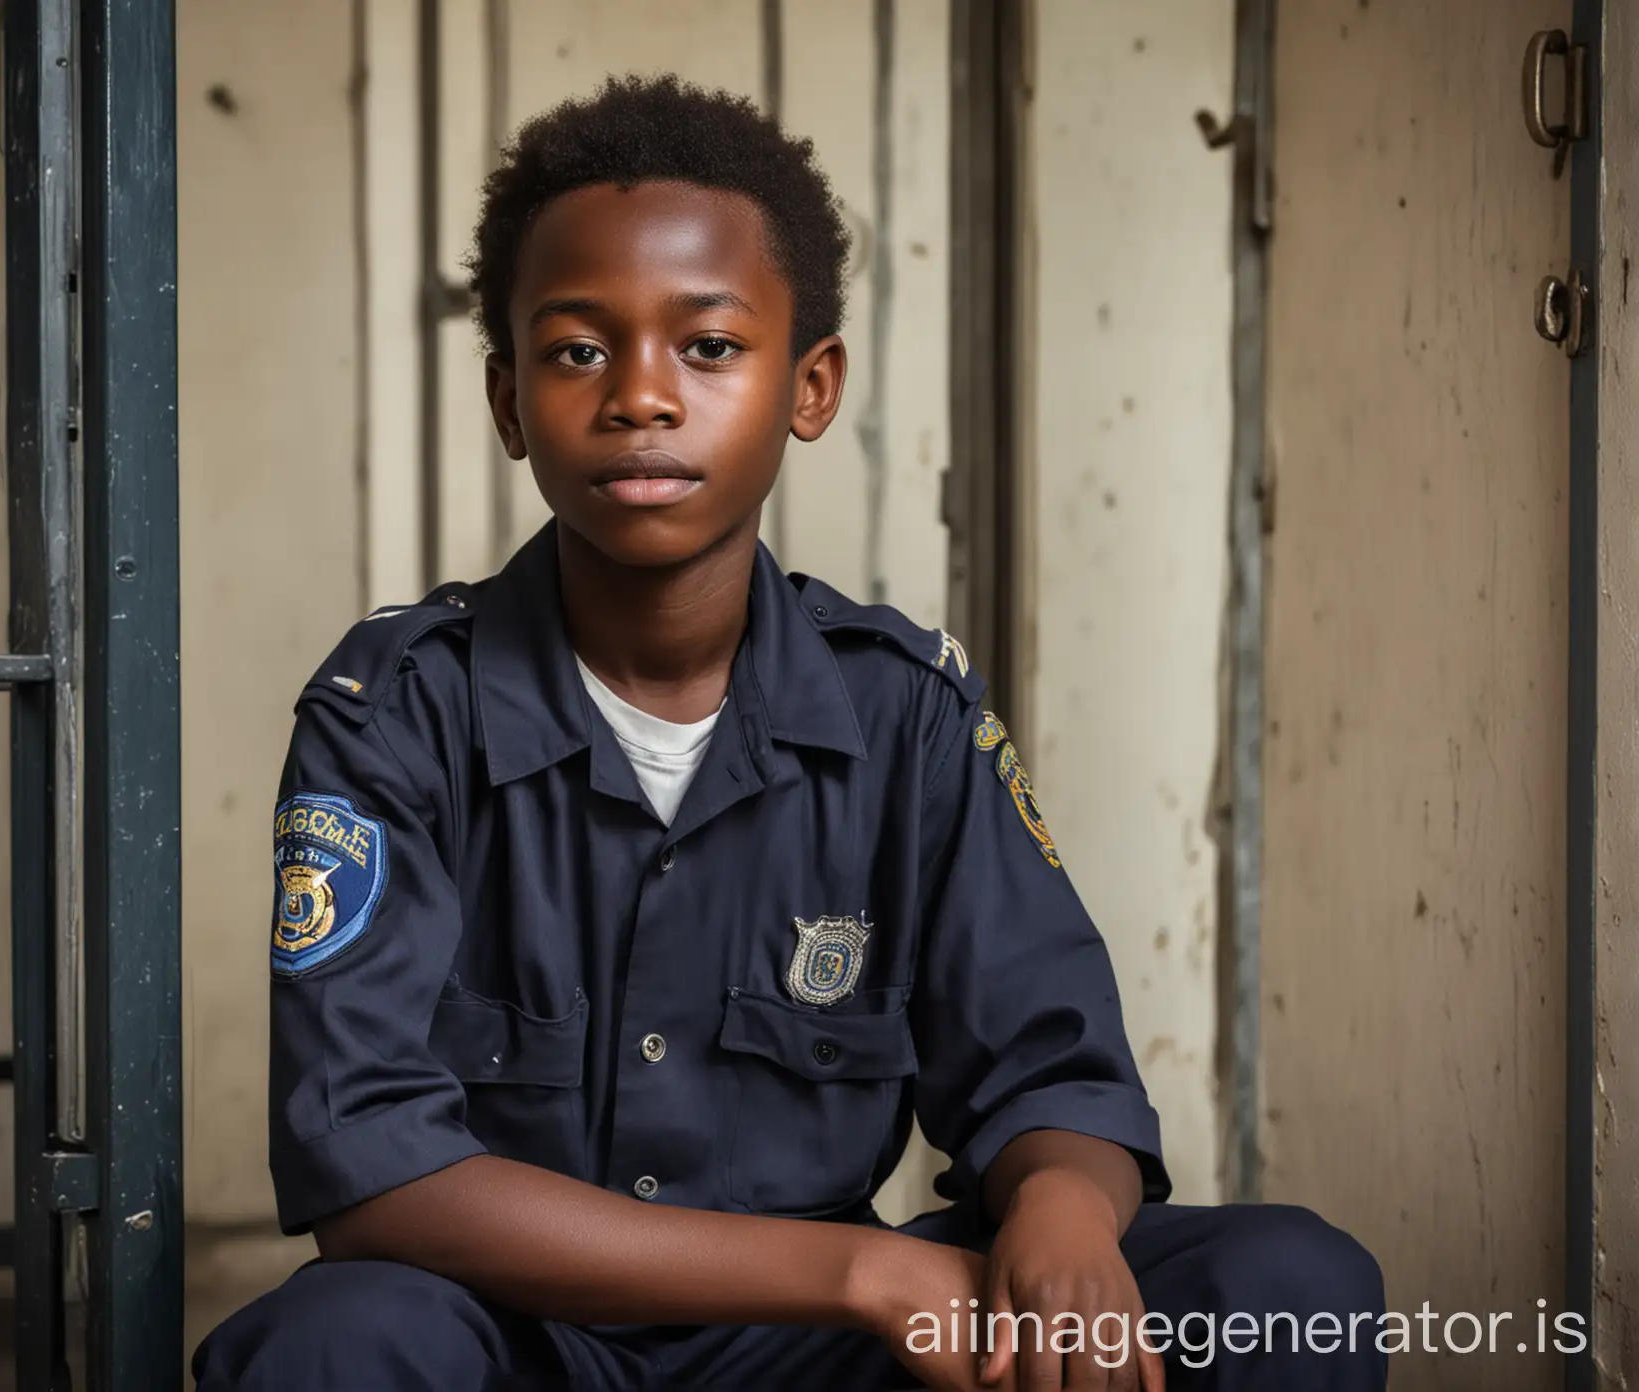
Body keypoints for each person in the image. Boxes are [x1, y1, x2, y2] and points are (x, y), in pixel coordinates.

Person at [192, 74, 1385, 1392]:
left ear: (810, 387)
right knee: (333, 1345)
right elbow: (372, 1170)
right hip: (517, 1334)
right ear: (510, 400)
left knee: (1289, 1289)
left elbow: (1053, 1074)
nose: (641, 397)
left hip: (814, 1362)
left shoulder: (904, 716)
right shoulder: (399, 712)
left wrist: (1060, 1212)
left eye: (708, 347)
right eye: (579, 349)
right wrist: (864, 1273)